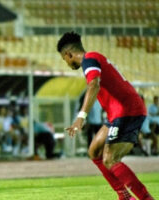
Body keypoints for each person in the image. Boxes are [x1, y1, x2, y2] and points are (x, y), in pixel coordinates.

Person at [57, 32, 154, 200]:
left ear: (68, 54)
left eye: (64, 59)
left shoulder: (89, 59)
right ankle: (123, 195)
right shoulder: (93, 59)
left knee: (110, 159)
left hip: (127, 110)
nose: (66, 63)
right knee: (94, 151)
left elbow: (94, 85)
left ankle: (146, 198)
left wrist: (81, 116)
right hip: (117, 113)